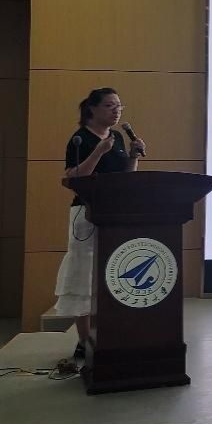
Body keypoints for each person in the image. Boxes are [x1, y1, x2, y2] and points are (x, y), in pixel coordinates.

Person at [53, 87, 146, 359]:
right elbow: (74, 178)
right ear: (92, 109)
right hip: (86, 213)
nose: (116, 111)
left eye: (119, 106)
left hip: (114, 213)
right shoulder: (80, 139)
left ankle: (108, 333)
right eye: (109, 106)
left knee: (111, 272)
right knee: (84, 276)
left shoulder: (117, 137)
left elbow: (126, 179)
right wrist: (97, 153)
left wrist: (133, 156)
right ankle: (84, 340)